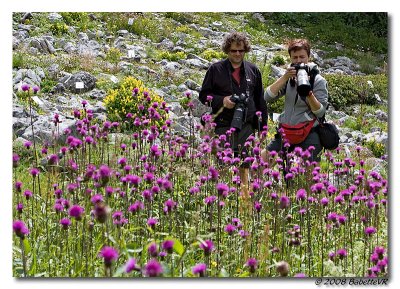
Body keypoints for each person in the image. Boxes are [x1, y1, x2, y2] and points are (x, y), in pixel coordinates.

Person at [199, 31, 268, 185]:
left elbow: (260, 101)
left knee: (245, 165)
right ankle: (223, 195)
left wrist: (263, 128)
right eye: (233, 51)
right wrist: (222, 100)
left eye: (241, 50)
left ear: (245, 50)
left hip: (247, 126)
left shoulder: (253, 70)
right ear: (227, 50)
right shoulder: (215, 70)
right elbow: (203, 96)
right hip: (223, 126)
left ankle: (244, 197)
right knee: (222, 165)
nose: (237, 54)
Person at [262, 38, 328, 162]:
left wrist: (308, 93)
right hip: (286, 132)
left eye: (302, 57)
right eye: (295, 58)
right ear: (290, 58)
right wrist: (285, 77)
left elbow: (320, 112)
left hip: (309, 133)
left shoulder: (318, 80)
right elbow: (267, 97)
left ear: (308, 57)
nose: (298, 61)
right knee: (261, 162)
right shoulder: (288, 78)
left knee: (308, 176)